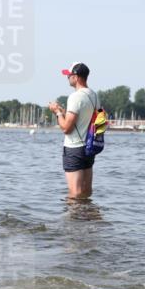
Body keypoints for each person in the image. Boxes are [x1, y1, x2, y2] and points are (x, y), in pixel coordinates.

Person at [48, 62, 98, 199]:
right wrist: (63, 112)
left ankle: (74, 220)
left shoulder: (75, 97)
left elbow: (66, 128)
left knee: (75, 193)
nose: (67, 78)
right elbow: (84, 118)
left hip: (74, 148)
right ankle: (88, 218)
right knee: (86, 191)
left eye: (69, 75)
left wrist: (57, 112)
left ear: (76, 77)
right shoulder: (93, 95)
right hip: (89, 147)